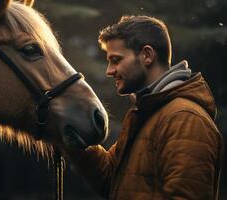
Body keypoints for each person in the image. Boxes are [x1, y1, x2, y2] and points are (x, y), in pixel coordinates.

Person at [57, 15, 224, 199]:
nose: (109, 71)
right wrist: (69, 131)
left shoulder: (185, 119)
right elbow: (110, 178)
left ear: (147, 55)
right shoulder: (149, 113)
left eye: (116, 60)